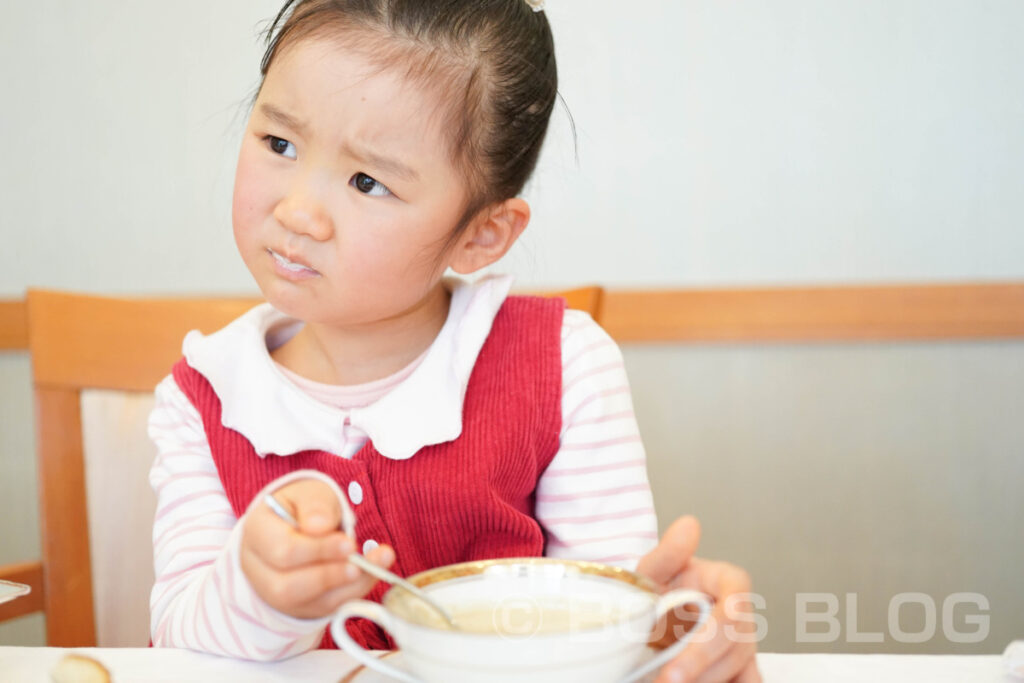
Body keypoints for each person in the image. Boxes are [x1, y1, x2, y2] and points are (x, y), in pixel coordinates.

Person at [147, 1, 760, 680]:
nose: (296, 211)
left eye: (367, 182)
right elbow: (180, 633)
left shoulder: (565, 365)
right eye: (279, 144)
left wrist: (664, 632)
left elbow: (608, 615)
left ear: (480, 235)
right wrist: (258, 590)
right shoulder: (203, 393)